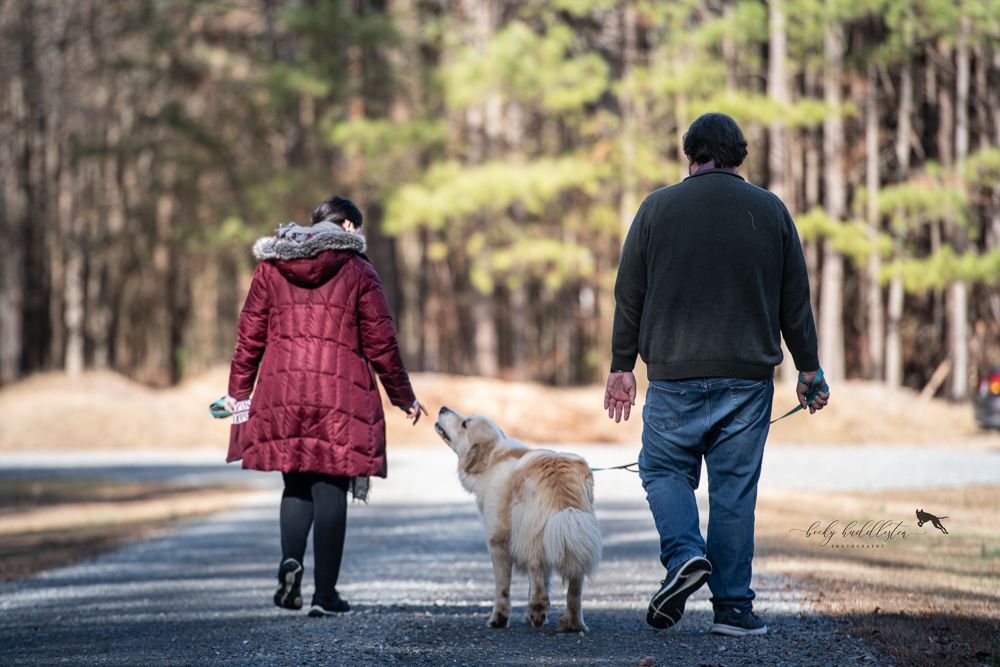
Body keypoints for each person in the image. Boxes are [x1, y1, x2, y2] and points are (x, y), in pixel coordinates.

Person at [604, 113, 830, 637]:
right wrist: (809, 368)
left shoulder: (656, 208)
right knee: (733, 491)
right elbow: (794, 298)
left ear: (691, 156)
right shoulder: (771, 210)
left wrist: (621, 367)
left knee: (662, 471)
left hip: (674, 374)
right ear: (738, 157)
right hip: (747, 379)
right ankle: (732, 609)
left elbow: (628, 294)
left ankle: (684, 554)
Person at [224, 195, 426, 617]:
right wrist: (403, 396)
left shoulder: (271, 267)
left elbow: (249, 339)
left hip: (281, 392)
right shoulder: (357, 269)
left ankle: (290, 561)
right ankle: (325, 595)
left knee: (296, 484)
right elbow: (381, 343)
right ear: (349, 227)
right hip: (340, 395)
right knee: (330, 487)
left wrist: (238, 395)